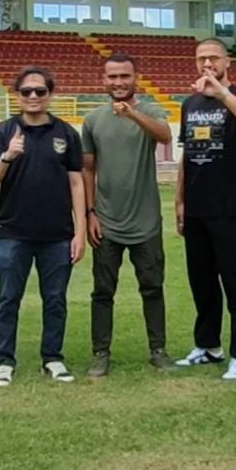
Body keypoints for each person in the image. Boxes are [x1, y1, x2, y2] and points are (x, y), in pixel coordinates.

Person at [0, 66, 87, 387]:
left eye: (39, 92)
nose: (32, 97)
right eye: (26, 91)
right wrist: (8, 156)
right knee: (8, 298)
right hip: (13, 233)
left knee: (55, 299)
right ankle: (4, 361)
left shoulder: (66, 133)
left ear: (49, 95)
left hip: (57, 235)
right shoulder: (4, 132)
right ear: (17, 95)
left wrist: (80, 231)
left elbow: (76, 183)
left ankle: (53, 358)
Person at [175, 38, 236, 381]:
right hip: (197, 207)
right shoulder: (190, 104)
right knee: (201, 281)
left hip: (229, 206)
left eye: (213, 57)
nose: (207, 63)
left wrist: (221, 94)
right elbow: (187, 154)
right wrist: (180, 201)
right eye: (201, 58)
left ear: (227, 61)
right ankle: (208, 346)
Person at [81, 53, 176, 377]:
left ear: (135, 78)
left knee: (152, 287)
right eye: (112, 77)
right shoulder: (93, 120)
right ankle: (100, 353)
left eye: (124, 76)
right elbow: (88, 169)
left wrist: (132, 114)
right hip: (106, 221)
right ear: (103, 80)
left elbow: (164, 137)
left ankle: (158, 350)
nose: (118, 82)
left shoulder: (149, 110)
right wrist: (90, 213)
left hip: (146, 220)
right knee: (102, 291)